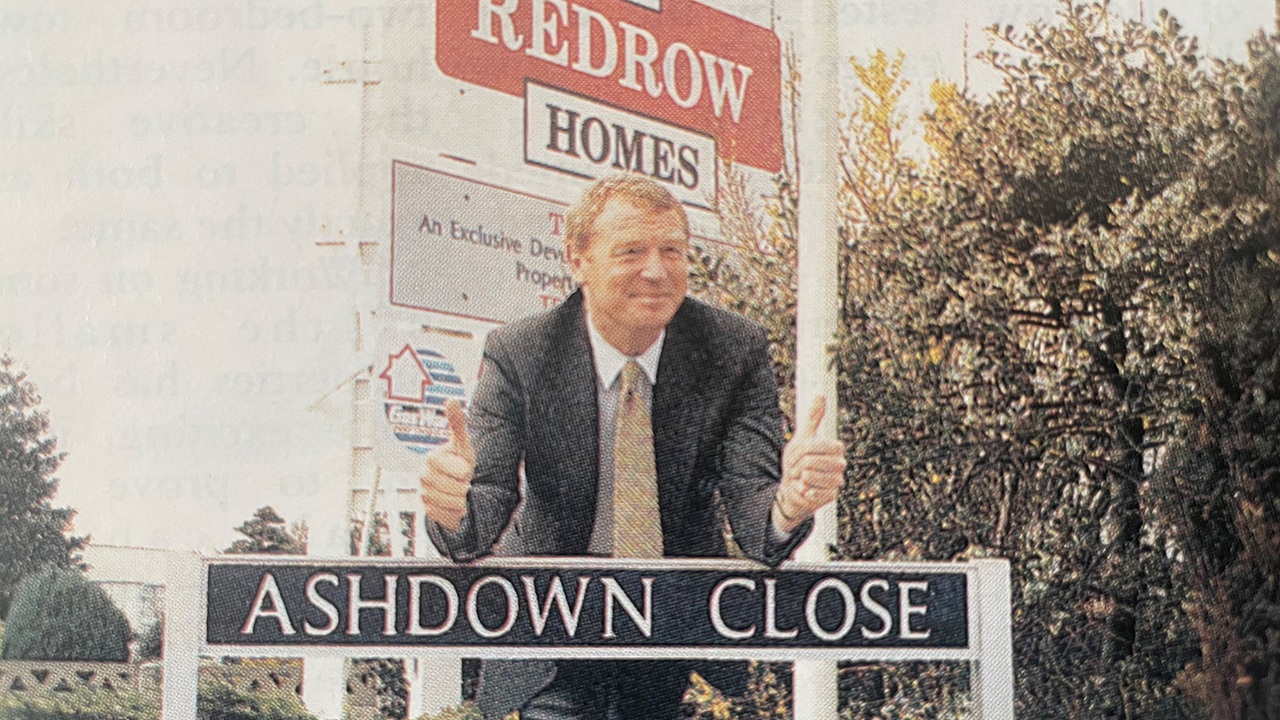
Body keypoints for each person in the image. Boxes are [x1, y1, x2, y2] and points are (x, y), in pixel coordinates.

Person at [420, 174, 846, 720]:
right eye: (631, 252)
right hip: (555, 627)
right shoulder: (521, 353)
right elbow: (477, 520)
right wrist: (451, 509)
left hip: (673, 628)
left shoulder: (732, 351)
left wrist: (790, 504)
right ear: (578, 261)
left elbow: (756, 517)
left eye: (673, 250)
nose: (657, 270)